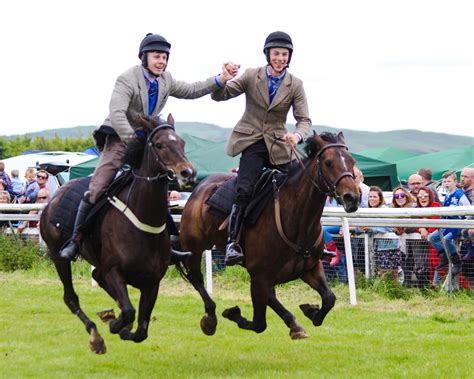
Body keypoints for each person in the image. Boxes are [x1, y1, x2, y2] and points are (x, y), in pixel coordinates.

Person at [59, 33, 239, 262]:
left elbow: (192, 90)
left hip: (146, 138)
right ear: (144, 57)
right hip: (119, 135)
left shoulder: (166, 79)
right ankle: (75, 241)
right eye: (157, 56)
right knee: (99, 185)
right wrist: (131, 139)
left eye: (164, 57)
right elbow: (117, 113)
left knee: (156, 186)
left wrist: (220, 79)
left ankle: (166, 244)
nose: (161, 61)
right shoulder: (127, 78)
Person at [211, 31, 312, 265]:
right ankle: (232, 243)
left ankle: (307, 242)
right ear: (268, 54)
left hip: (279, 144)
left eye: (284, 54)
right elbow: (220, 96)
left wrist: (297, 135)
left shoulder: (295, 84)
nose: (279, 58)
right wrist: (223, 78)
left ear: (289, 57)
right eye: (276, 53)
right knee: (245, 189)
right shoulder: (250, 76)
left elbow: (304, 120)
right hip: (252, 141)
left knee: (299, 189)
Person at [428, 171, 470, 279]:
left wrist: (466, 224)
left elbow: (468, 209)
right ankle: (444, 258)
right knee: (432, 237)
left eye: (449, 181)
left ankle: (456, 262)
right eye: (444, 181)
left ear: (455, 182)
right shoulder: (447, 195)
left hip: (457, 224)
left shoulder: (460, 194)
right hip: (447, 223)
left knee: (446, 239)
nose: (446, 184)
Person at [356, 186, 401, 280]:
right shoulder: (367, 211)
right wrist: (361, 229)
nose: (372, 199)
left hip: (389, 246)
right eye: (370, 197)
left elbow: (389, 227)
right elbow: (359, 228)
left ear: (380, 198)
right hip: (376, 247)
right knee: (382, 273)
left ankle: (394, 292)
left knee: (391, 273)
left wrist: (371, 228)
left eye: (374, 197)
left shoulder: (385, 209)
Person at [459, 167, 474, 261]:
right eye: (461, 176)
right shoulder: (459, 192)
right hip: (463, 228)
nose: (462, 179)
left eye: (466, 176)